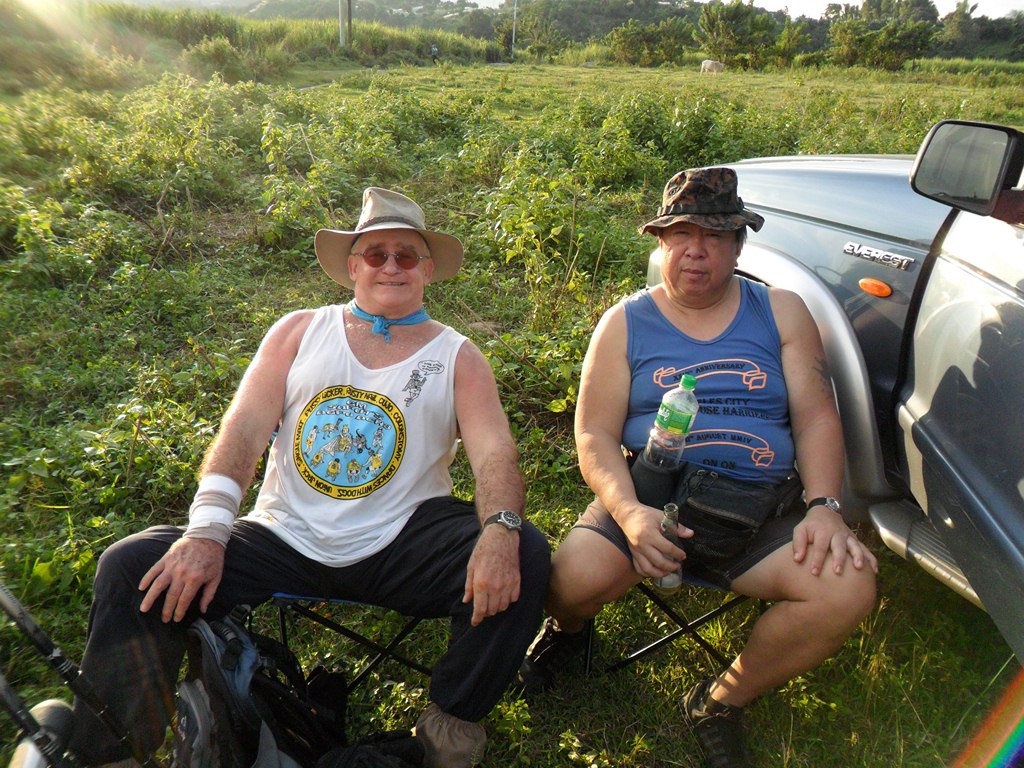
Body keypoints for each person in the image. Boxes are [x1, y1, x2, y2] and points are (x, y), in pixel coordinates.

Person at [67, 187, 551, 768]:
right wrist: (207, 532)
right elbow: (243, 430)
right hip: (284, 534)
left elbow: (494, 454)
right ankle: (114, 752)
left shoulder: (459, 356)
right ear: (352, 267)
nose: (391, 266)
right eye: (376, 254)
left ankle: (442, 741)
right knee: (131, 565)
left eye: (405, 255)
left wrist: (499, 530)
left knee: (523, 552)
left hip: (401, 539)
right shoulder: (298, 331)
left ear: (427, 269)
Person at [518, 167, 878, 768]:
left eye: (714, 236)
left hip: (757, 507)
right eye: (681, 234)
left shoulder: (781, 311)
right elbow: (593, 433)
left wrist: (824, 506)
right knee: (565, 586)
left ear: (738, 245)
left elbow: (817, 416)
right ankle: (571, 632)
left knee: (847, 588)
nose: (696, 250)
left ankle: (719, 701)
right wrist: (629, 515)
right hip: (650, 494)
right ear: (661, 244)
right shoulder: (624, 322)